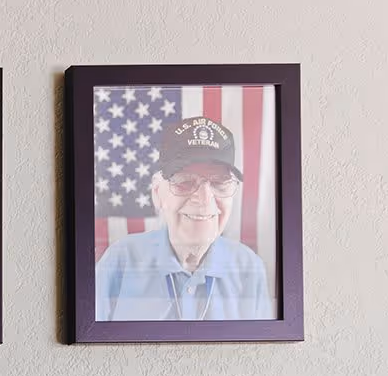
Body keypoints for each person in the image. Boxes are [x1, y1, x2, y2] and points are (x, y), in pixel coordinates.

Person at [93, 114, 273, 321]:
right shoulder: (120, 261)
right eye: (185, 182)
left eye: (219, 183)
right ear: (157, 193)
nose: (205, 199)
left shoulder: (248, 267)